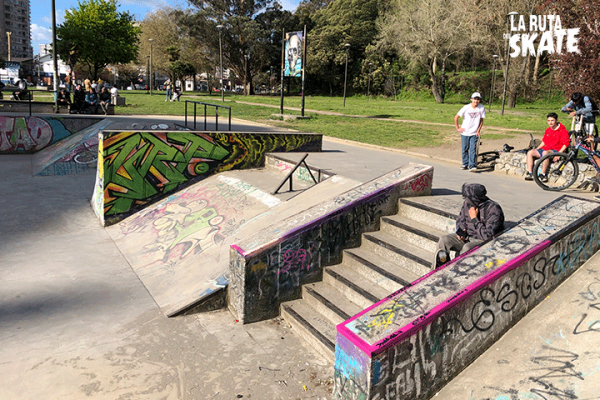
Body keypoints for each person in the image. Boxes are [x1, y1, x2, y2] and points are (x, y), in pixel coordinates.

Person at [433, 183, 505, 268]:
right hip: (467, 236)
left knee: (467, 248)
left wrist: (474, 219)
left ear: (474, 198)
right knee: (444, 240)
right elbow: (461, 219)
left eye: (466, 198)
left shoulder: (494, 209)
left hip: (482, 241)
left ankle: (457, 273)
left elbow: (488, 236)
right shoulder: (467, 204)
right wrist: (460, 230)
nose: (465, 200)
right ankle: (435, 271)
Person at [524, 112, 570, 181]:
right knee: (530, 152)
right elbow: (544, 141)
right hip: (546, 149)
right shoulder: (548, 130)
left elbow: (566, 144)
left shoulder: (563, 131)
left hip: (556, 150)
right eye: (548, 121)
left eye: (552, 120)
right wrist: (537, 149)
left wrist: (559, 154)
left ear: (556, 120)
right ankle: (530, 173)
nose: (550, 122)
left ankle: (543, 174)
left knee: (545, 153)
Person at [455, 92, 485, 171]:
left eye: (478, 99)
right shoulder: (466, 107)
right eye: (475, 99)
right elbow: (456, 117)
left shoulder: (481, 108)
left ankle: (472, 166)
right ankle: (465, 164)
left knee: (473, 149)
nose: (476, 101)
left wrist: (478, 130)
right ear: (472, 99)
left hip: (474, 132)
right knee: (465, 149)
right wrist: (458, 128)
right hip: (465, 132)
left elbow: (481, 120)